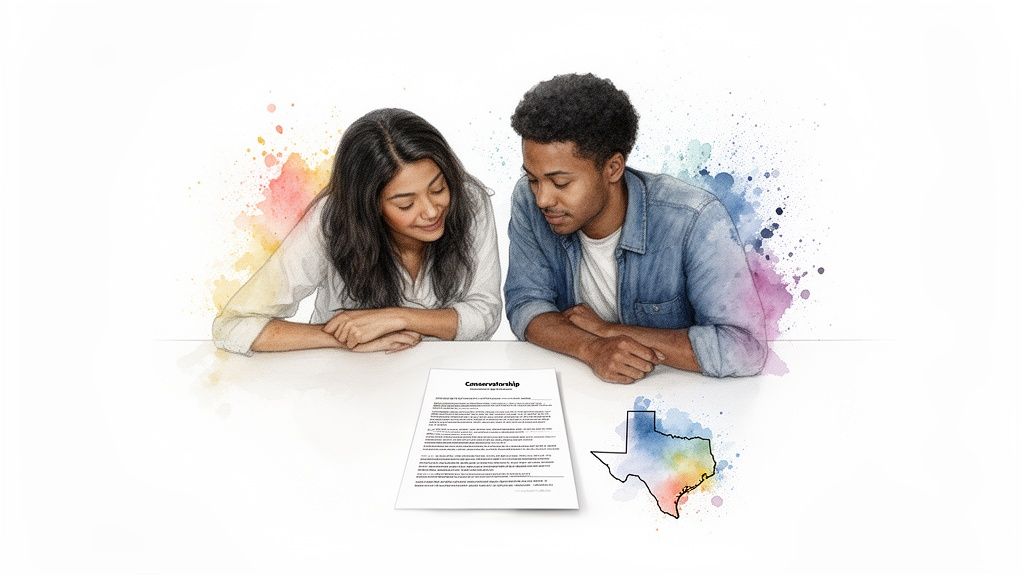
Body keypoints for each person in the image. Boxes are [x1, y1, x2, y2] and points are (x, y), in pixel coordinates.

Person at [504, 74, 767, 382]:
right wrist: (592, 348)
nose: (542, 198)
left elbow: (745, 348)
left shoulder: (695, 219)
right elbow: (526, 304)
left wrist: (609, 331)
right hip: (581, 390)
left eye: (561, 182)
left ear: (613, 168)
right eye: (534, 179)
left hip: (676, 395)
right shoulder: (528, 198)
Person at [213, 108, 502, 355]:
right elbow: (233, 325)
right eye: (405, 203)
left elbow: (485, 316)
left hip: (444, 376)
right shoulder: (331, 220)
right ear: (368, 206)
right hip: (348, 385)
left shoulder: (469, 200)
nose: (430, 210)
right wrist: (342, 338)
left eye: (438, 188)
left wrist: (396, 318)